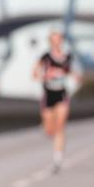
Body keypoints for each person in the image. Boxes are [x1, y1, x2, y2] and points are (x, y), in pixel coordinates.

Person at [32, 31, 81, 174]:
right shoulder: (45, 57)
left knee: (60, 128)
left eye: (58, 40)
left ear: (61, 41)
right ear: (50, 42)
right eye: (53, 40)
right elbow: (34, 74)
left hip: (61, 94)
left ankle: (57, 159)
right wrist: (45, 75)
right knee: (50, 130)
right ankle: (46, 126)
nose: (56, 42)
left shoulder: (67, 57)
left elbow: (73, 72)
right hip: (48, 95)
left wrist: (75, 77)